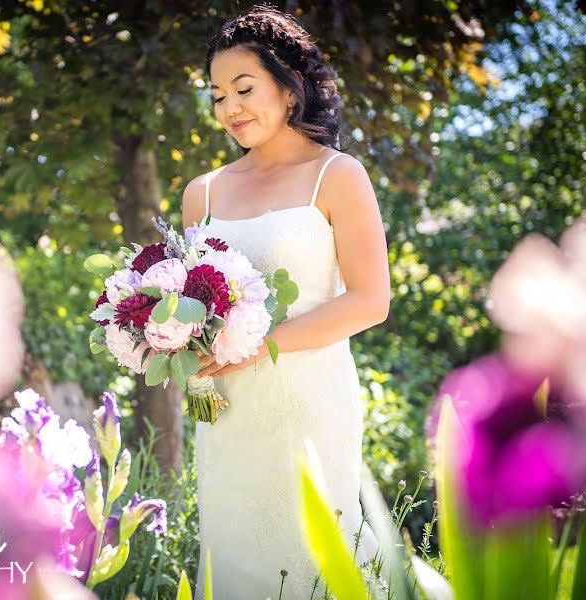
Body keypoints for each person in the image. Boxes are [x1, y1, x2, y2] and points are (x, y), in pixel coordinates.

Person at [180, 6, 390, 598]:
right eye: (217, 95)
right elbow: (192, 299)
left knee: (317, 551)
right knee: (234, 553)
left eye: (244, 89)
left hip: (308, 401)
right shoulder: (204, 193)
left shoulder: (338, 175)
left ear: (290, 86)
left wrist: (262, 346)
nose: (229, 109)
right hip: (224, 405)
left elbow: (371, 301)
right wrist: (172, 342)